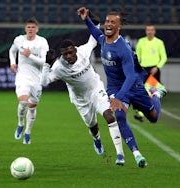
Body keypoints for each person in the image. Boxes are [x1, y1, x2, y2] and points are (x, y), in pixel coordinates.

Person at [77, 7, 167, 168]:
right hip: (115, 89)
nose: (108, 24)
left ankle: (156, 94)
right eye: (107, 21)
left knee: (153, 118)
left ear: (119, 26)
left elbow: (131, 76)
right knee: (119, 117)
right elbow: (94, 31)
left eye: (113, 22)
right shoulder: (103, 39)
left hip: (134, 87)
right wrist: (86, 19)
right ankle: (137, 155)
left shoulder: (123, 49)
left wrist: (119, 97)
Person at [41, 35, 125, 165]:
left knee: (109, 116)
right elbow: (44, 81)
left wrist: (94, 22)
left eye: (70, 52)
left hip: (96, 90)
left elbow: (93, 39)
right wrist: (46, 64)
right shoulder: (58, 67)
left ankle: (120, 154)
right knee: (92, 126)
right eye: (65, 54)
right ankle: (96, 139)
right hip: (81, 99)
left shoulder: (83, 51)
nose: (68, 56)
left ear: (75, 50)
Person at [9, 17, 49, 144]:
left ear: (37, 29)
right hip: (22, 76)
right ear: (25, 28)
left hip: (37, 79)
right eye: (28, 27)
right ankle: (20, 124)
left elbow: (44, 61)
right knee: (23, 102)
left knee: (32, 107)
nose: (30, 29)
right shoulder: (19, 40)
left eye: (33, 27)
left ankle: (28, 132)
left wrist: (29, 55)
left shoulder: (42, 42)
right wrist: (13, 62)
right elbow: (12, 50)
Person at [134, 24, 167, 122]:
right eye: (148, 30)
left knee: (154, 92)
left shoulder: (159, 42)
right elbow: (137, 56)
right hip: (143, 70)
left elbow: (164, 57)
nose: (149, 32)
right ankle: (141, 113)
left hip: (154, 70)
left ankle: (154, 111)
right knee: (143, 91)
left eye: (151, 30)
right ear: (146, 31)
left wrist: (157, 67)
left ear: (154, 31)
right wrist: (138, 68)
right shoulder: (141, 41)